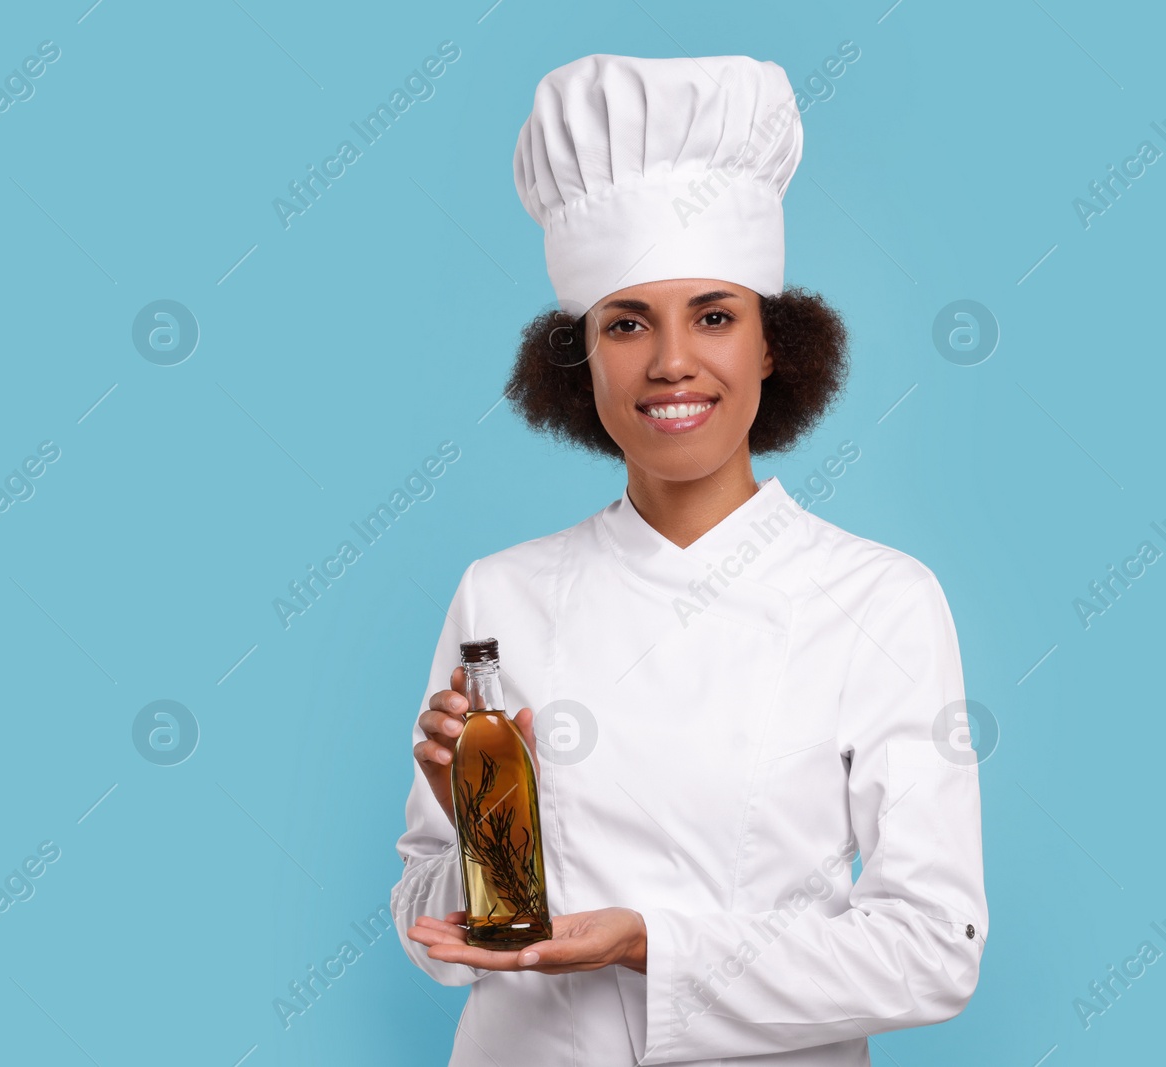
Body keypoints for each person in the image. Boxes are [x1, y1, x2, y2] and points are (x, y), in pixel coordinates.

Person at [391, 54, 987, 1066]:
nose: (670, 360)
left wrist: (648, 944)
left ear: (770, 345)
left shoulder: (880, 599)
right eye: (626, 323)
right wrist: (472, 834)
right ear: (580, 358)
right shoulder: (501, 593)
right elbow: (438, 939)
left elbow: (933, 950)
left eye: (713, 315)